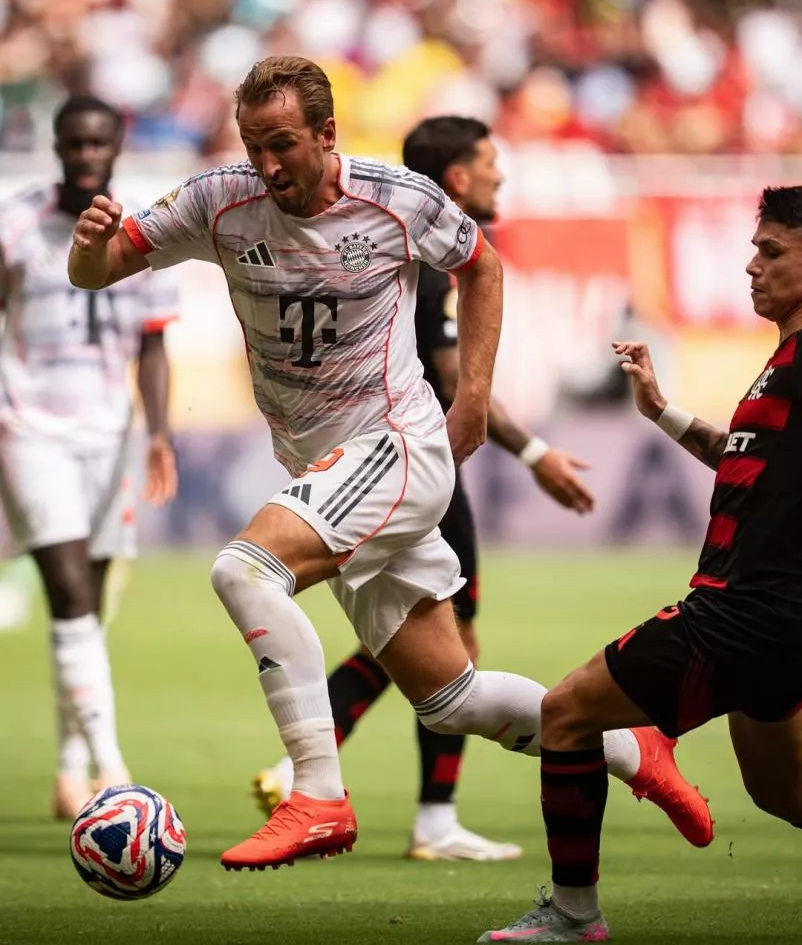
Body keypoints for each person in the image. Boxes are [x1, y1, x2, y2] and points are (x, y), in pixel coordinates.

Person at [68, 55, 711, 872]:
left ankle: (319, 796)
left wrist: (474, 394)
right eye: (255, 144)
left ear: (328, 134)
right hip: (321, 465)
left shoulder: (399, 199)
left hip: (394, 447)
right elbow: (99, 269)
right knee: (452, 700)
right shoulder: (217, 200)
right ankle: (636, 751)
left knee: (244, 571)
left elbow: (481, 264)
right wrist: (88, 250)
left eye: (285, 145)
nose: (268, 165)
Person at [252, 115, 595, 863]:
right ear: (461, 177)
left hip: (370, 462)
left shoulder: (395, 231)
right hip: (407, 467)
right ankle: (414, 810)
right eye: (490, 163)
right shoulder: (428, 248)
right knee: (440, 649)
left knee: (414, 647)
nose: (500, 177)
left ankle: (323, 772)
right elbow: (449, 377)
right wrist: (534, 451)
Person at [478, 184, 802, 943]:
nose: (751, 265)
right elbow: (740, 458)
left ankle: (573, 915)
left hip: (741, 611)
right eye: (755, 249)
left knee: (565, 713)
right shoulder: (782, 359)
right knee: (782, 794)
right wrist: (662, 412)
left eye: (773, 251)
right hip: (771, 620)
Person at [0, 95, 180, 819]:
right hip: (28, 427)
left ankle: (71, 770)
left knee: (89, 607)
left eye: (96, 143)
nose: (83, 155)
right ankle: (113, 772)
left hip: (112, 436)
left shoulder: (147, 229)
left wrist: (160, 432)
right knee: (70, 595)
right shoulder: (16, 222)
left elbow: (154, 342)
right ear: (56, 144)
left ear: (116, 144)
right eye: (72, 143)